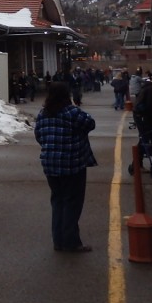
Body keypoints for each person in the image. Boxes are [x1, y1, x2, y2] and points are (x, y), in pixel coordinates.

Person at [34, 81, 98, 253]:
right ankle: (71, 242)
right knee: (72, 203)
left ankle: (58, 241)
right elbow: (90, 124)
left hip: (50, 164)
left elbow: (38, 136)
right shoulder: (72, 112)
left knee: (57, 201)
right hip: (72, 164)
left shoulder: (42, 114)